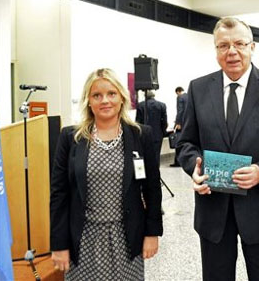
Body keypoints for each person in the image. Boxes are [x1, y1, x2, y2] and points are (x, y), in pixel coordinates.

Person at [177, 17, 259, 281]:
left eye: (239, 44)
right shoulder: (198, 88)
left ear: (252, 47)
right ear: (216, 50)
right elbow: (186, 143)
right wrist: (194, 168)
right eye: (223, 46)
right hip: (213, 210)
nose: (232, 51)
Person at [50, 68, 163, 280]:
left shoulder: (140, 135)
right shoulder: (70, 138)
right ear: (88, 101)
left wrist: (152, 233)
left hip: (127, 238)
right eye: (97, 95)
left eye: (111, 94)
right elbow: (59, 195)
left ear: (122, 98)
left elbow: (152, 190)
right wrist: (59, 244)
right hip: (83, 240)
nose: (105, 100)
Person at [136, 90, 168, 166]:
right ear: (154, 96)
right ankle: (156, 173)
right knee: (156, 155)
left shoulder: (141, 105)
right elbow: (164, 121)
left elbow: (138, 122)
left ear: (145, 96)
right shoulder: (162, 105)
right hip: (157, 134)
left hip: (144, 135)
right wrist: (163, 132)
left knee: (145, 155)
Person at [170, 86, 187, 167]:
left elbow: (180, 111)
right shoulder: (189, 96)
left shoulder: (180, 97)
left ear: (178, 92)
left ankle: (178, 161)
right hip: (188, 124)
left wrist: (178, 123)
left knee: (178, 142)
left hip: (182, 124)